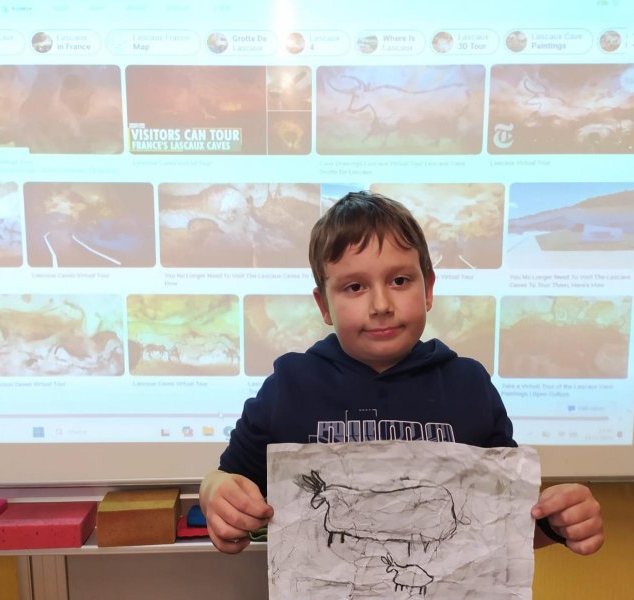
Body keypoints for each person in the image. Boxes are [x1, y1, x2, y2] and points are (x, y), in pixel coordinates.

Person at [199, 190, 604, 556]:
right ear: (324, 306)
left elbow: (503, 525)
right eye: (355, 287)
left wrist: (555, 523)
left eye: (399, 280)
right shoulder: (288, 387)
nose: (381, 305)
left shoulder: (469, 387)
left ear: (427, 289)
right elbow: (226, 480)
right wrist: (218, 496)